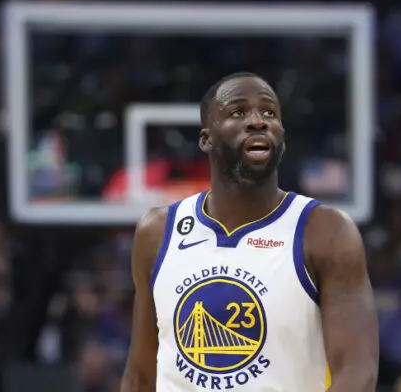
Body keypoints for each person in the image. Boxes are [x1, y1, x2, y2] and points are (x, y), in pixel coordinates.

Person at [120, 72, 378, 391]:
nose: (258, 121)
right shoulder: (158, 232)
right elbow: (140, 375)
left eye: (269, 112)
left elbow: (357, 371)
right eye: (238, 112)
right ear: (206, 139)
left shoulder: (324, 231)